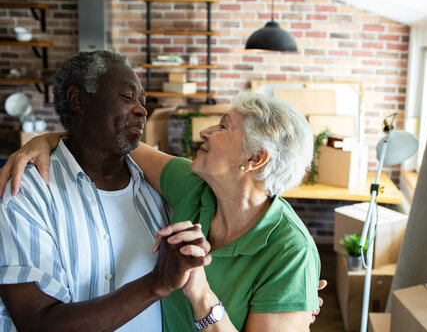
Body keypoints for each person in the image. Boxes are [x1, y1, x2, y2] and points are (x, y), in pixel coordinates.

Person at [2, 91, 323, 331]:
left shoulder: (291, 252)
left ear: (254, 159)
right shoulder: (193, 186)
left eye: (224, 126)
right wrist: (49, 139)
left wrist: (201, 295)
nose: (206, 131)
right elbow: (118, 141)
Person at [0, 50, 211, 332]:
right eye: (127, 98)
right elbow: (37, 322)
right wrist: (156, 283)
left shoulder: (157, 189)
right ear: (79, 100)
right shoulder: (27, 192)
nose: (141, 110)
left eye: (142, 102)